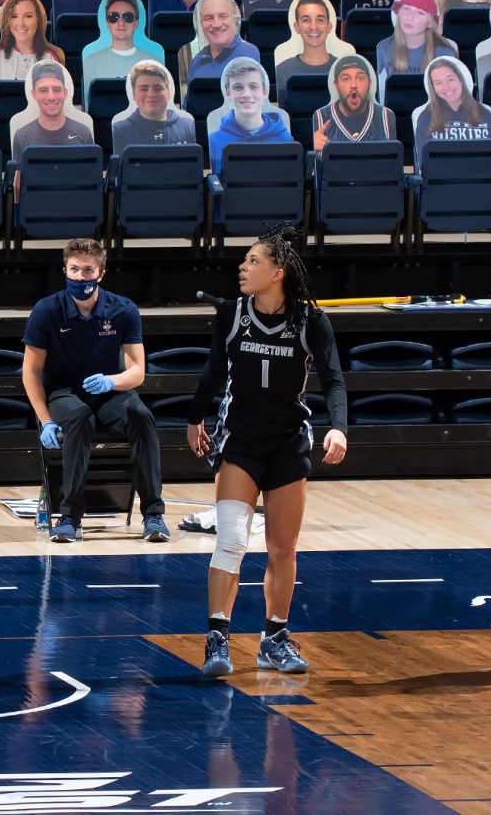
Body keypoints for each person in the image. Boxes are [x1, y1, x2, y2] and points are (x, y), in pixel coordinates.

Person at [187, 228, 349, 678]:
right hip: (240, 439)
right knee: (232, 540)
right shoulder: (232, 313)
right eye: (244, 260)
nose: (243, 266)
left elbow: (334, 379)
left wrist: (339, 428)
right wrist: (194, 417)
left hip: (287, 442)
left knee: (282, 548)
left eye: (253, 261)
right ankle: (217, 638)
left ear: (277, 273)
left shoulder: (310, 321)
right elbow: (214, 369)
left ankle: (273, 640)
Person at [20, 240, 167, 544]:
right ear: (65, 270)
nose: (80, 277)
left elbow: (138, 371)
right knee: (78, 415)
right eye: (74, 269)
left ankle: (153, 514)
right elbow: (31, 373)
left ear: (101, 273)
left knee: (141, 414)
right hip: (64, 393)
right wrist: (45, 419)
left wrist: (111, 381)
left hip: (109, 392)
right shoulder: (47, 310)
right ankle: (69, 516)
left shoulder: (123, 309)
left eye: (88, 270)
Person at [311, 54, 396, 150]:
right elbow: (313, 163)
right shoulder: (320, 117)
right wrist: (313, 151)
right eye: (346, 79)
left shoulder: (385, 116)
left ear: (369, 83)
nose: (353, 85)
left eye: (360, 78)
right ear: (336, 85)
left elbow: (394, 162)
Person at [111, 60, 197, 152]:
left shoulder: (189, 127)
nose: (151, 94)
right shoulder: (118, 131)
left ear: (168, 93)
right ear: (133, 95)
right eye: (144, 89)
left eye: (158, 88)